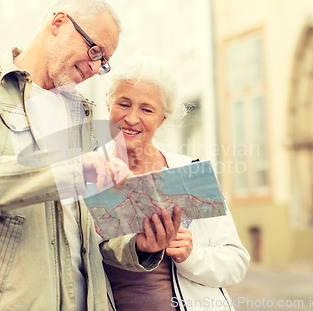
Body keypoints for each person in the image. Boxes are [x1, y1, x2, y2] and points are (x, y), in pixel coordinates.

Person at [0, 0, 180, 311]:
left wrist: (140, 246)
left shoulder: (87, 118)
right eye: (94, 50)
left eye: (103, 62)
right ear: (59, 23)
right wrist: (72, 172)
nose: (94, 67)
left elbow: (98, 233)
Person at [100, 57, 250, 311]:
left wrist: (191, 255)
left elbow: (236, 263)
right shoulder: (88, 176)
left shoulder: (187, 174)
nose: (132, 118)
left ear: (162, 120)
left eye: (147, 110)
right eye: (123, 104)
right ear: (108, 106)